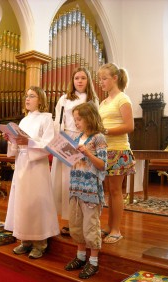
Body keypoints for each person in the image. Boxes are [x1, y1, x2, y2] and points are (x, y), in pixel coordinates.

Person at [4, 86, 60, 259]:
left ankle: (40, 243)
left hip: (37, 166)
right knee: (23, 202)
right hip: (22, 164)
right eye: (26, 96)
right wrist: (11, 140)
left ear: (40, 100)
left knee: (36, 201)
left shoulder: (46, 119)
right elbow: (16, 147)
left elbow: (49, 144)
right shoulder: (23, 121)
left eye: (32, 96)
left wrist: (28, 141)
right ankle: (25, 240)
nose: (27, 99)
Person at [51, 67, 99, 236]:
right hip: (65, 141)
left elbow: (95, 122)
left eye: (83, 78)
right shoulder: (64, 99)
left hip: (83, 141)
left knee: (81, 182)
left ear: (88, 81)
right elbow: (58, 120)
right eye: (76, 78)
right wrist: (59, 140)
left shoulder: (92, 100)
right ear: (72, 81)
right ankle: (71, 220)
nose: (79, 81)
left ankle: (82, 220)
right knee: (66, 183)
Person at [64, 102, 107, 279]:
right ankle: (81, 257)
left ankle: (94, 262)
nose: (76, 123)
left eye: (79, 119)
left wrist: (87, 154)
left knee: (90, 227)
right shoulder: (78, 137)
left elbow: (102, 165)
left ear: (89, 117)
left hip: (90, 190)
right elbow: (73, 161)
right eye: (75, 119)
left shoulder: (98, 138)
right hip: (76, 187)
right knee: (76, 226)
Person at [98, 62, 136, 244]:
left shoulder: (123, 99)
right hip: (105, 151)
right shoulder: (103, 102)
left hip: (119, 149)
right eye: (100, 79)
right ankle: (108, 226)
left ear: (115, 78)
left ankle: (116, 230)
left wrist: (105, 131)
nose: (101, 82)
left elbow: (130, 126)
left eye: (104, 78)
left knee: (115, 191)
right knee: (108, 191)